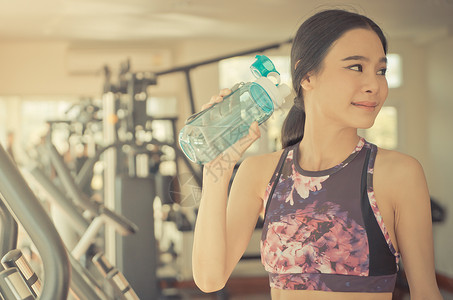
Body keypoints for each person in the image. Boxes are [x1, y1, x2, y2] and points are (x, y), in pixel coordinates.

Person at [192, 9, 442, 300]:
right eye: (356, 67)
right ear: (307, 76)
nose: (374, 85)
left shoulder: (399, 173)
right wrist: (217, 171)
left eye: (381, 70)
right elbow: (210, 279)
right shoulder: (259, 172)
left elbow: (425, 293)